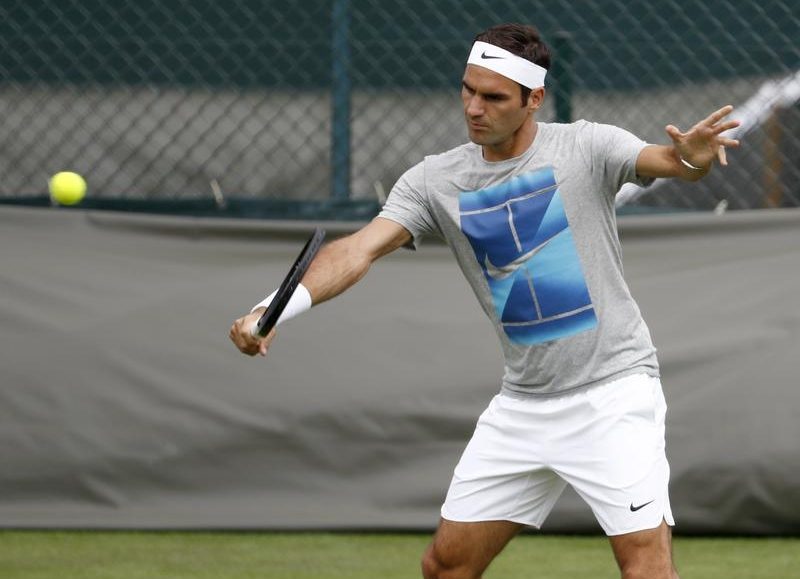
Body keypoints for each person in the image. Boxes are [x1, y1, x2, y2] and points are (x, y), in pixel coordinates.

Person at [230, 23, 740, 579]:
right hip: (523, 406)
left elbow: (672, 162)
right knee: (446, 567)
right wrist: (271, 309)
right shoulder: (434, 180)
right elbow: (358, 250)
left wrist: (693, 159)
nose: (474, 108)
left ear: (533, 99)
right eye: (468, 90)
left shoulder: (587, 146)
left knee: (645, 567)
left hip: (613, 395)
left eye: (494, 97)